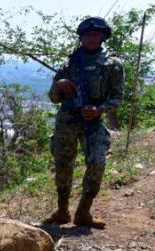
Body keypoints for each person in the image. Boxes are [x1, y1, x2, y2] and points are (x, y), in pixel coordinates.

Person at [44, 17, 125, 229]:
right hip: (67, 120)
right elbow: (53, 97)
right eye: (88, 34)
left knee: (97, 163)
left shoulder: (113, 65)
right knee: (63, 165)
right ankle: (62, 211)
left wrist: (100, 109)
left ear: (103, 37)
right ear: (81, 37)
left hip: (94, 121)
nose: (92, 38)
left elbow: (117, 97)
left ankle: (83, 212)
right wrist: (60, 84)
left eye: (96, 34)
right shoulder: (69, 63)